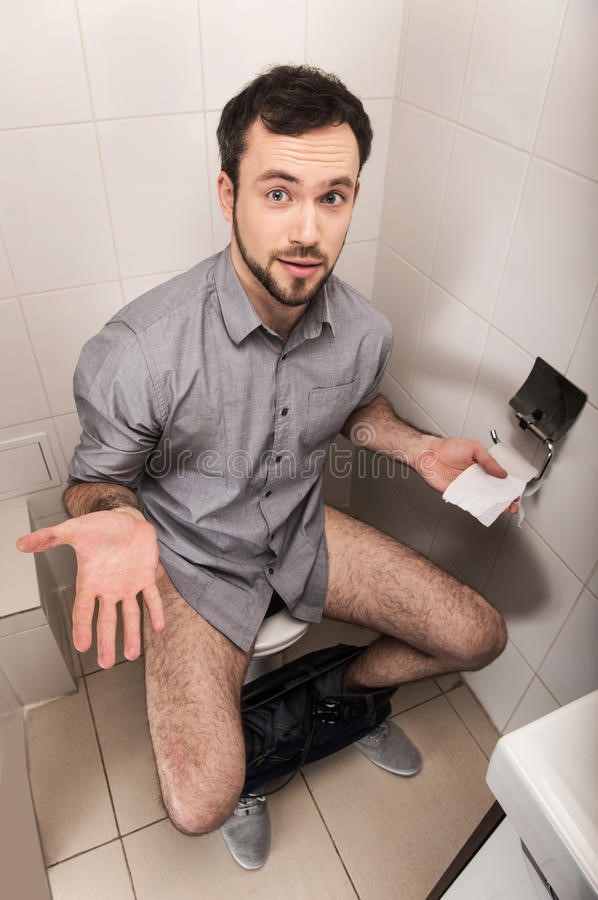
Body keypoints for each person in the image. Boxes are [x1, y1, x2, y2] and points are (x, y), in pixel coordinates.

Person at [17, 65, 509, 871]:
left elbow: (356, 406)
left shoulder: (364, 330)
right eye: (278, 193)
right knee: (199, 802)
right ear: (228, 194)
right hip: (191, 555)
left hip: (300, 528)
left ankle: (335, 698)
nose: (308, 231)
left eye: (332, 197)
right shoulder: (139, 350)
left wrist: (414, 447)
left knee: (478, 635)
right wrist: (113, 517)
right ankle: (256, 754)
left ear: (354, 199)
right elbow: (95, 480)